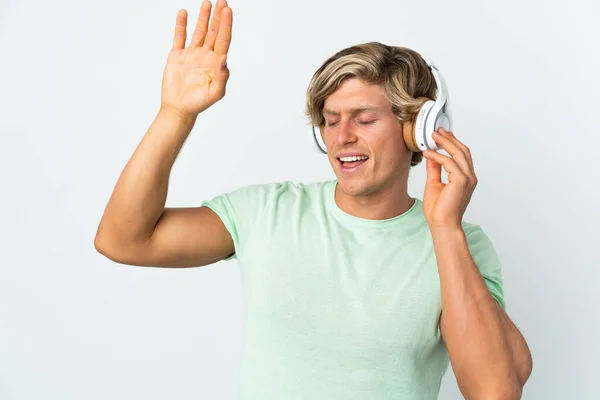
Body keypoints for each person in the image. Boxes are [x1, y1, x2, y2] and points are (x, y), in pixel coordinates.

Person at [94, 0, 533, 398]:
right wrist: (176, 114)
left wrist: (444, 228)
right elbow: (124, 240)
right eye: (330, 120)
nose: (342, 138)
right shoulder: (267, 212)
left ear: (415, 130)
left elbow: (495, 391)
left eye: (364, 118)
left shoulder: (460, 244)